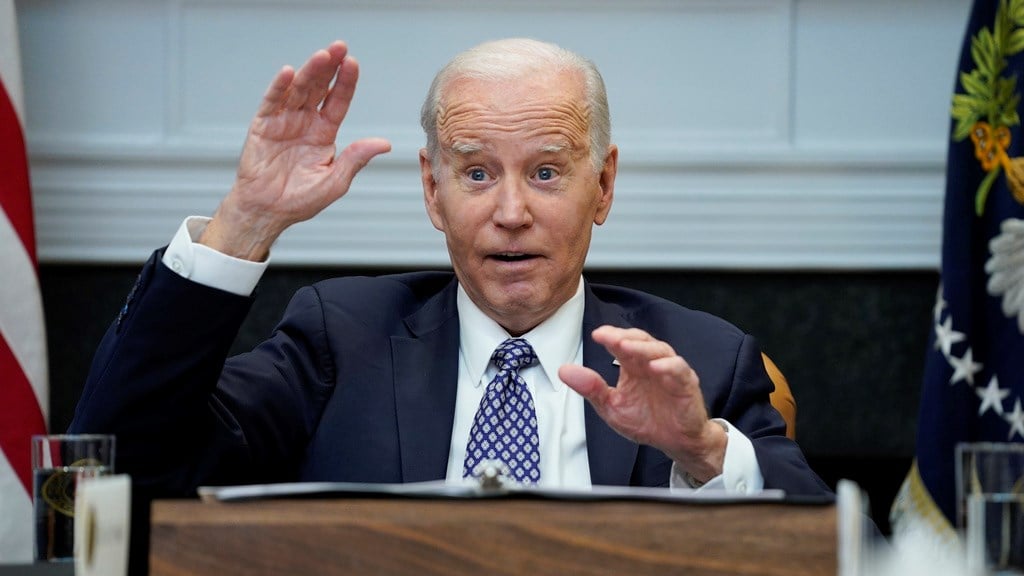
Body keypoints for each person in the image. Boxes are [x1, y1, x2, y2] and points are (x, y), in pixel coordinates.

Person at [71, 38, 830, 498]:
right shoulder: (343, 341)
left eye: (544, 172)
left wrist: (702, 452)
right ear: (431, 190)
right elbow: (114, 462)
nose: (509, 211)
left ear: (602, 186)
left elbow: (850, 570)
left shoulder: (697, 357)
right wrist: (249, 219)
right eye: (474, 174)